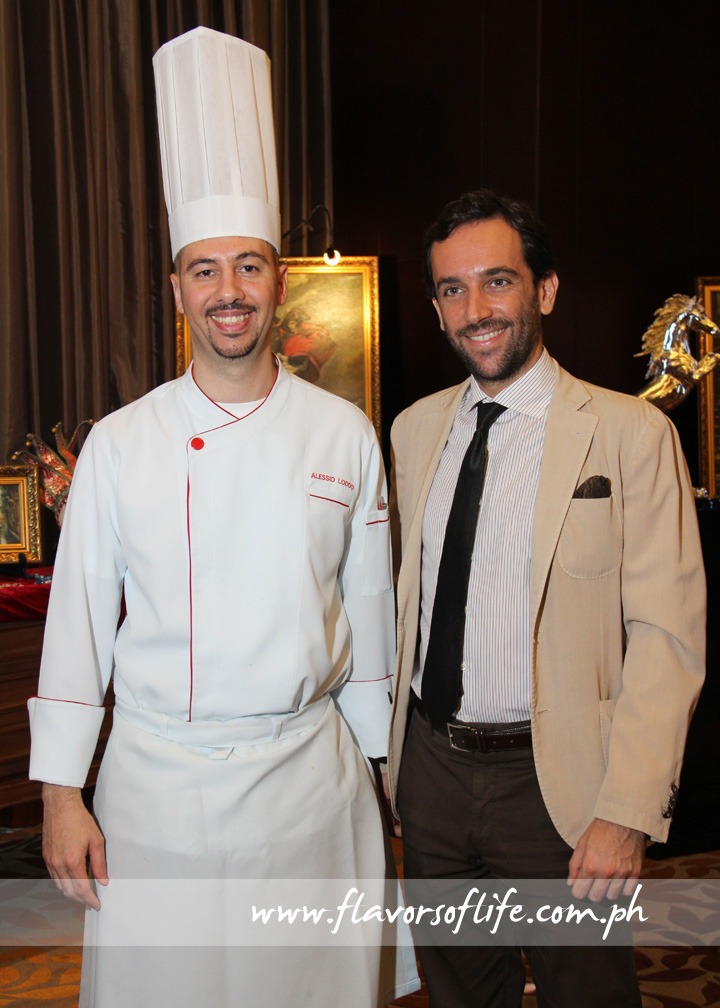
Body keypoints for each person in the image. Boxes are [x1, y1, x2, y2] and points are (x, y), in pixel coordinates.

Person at [28, 27, 418, 1008]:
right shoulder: (122, 443)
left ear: (279, 279)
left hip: (310, 784)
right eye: (205, 270)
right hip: (159, 790)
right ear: (176, 288)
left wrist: (388, 772)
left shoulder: (343, 434)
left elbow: (371, 618)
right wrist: (62, 794)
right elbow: (78, 627)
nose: (229, 292)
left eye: (249, 266)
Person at [386, 188, 706, 1007]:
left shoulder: (632, 434)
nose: (476, 310)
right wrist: (402, 777)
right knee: (460, 994)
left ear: (547, 289)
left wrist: (628, 810)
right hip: (433, 776)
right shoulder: (414, 430)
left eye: (498, 281)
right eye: (453, 289)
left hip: (561, 786)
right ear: (436, 308)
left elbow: (667, 638)